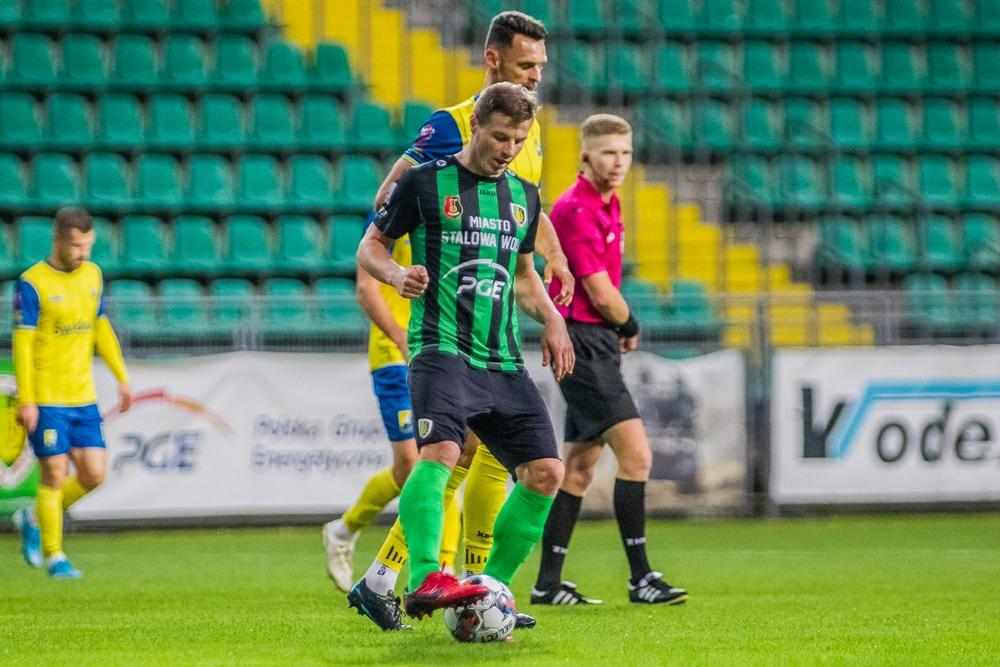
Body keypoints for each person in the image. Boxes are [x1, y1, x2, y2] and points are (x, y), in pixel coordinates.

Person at [333, 10, 574, 630]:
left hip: (500, 344)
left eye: (541, 67)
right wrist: (396, 274)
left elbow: (523, 246)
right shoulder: (444, 138)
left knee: (530, 468)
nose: (536, 78)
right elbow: (382, 217)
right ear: (493, 61)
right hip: (441, 335)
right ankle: (419, 578)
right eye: (526, 65)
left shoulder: (526, 157)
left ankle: (476, 590)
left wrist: (553, 302)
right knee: (446, 454)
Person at [531, 115, 689, 606]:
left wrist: (615, 327)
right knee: (637, 456)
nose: (618, 162)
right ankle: (641, 578)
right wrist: (629, 324)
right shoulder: (575, 208)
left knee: (579, 469)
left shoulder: (607, 202)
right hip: (582, 343)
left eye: (625, 153)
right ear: (585, 157)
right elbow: (599, 293)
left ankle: (547, 584)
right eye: (608, 153)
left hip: (593, 341)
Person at [12, 207, 133, 578]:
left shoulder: (93, 274)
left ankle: (34, 516)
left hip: (83, 396)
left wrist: (122, 377)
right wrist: (27, 398)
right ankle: (55, 556)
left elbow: (101, 328)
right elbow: (23, 344)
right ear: (58, 241)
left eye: (88, 246)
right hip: (47, 397)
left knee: (94, 475)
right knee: (53, 473)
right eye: (77, 246)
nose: (84, 253)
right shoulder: (32, 283)